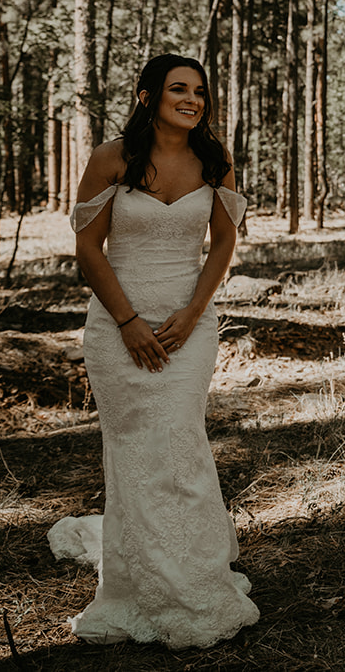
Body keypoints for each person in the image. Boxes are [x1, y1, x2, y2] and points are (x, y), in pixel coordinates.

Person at [47, 54, 258, 649]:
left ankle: (195, 581)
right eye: (178, 90)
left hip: (188, 326)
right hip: (117, 325)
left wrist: (192, 314)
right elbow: (89, 249)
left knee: (180, 440)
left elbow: (221, 245)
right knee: (134, 451)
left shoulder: (214, 162)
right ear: (148, 97)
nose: (191, 100)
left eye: (199, 91)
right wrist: (129, 322)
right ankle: (136, 587)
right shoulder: (113, 158)